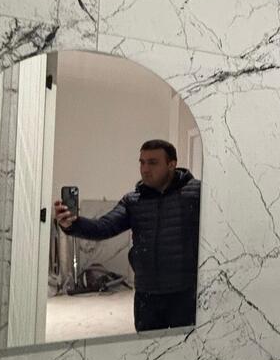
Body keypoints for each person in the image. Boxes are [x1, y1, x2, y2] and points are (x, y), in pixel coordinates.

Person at [54, 139, 201, 332]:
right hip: (146, 294)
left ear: (171, 164)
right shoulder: (134, 201)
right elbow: (103, 227)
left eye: (153, 163)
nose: (145, 169)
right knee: (147, 348)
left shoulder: (195, 194)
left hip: (185, 293)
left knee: (186, 348)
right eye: (142, 162)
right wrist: (72, 224)